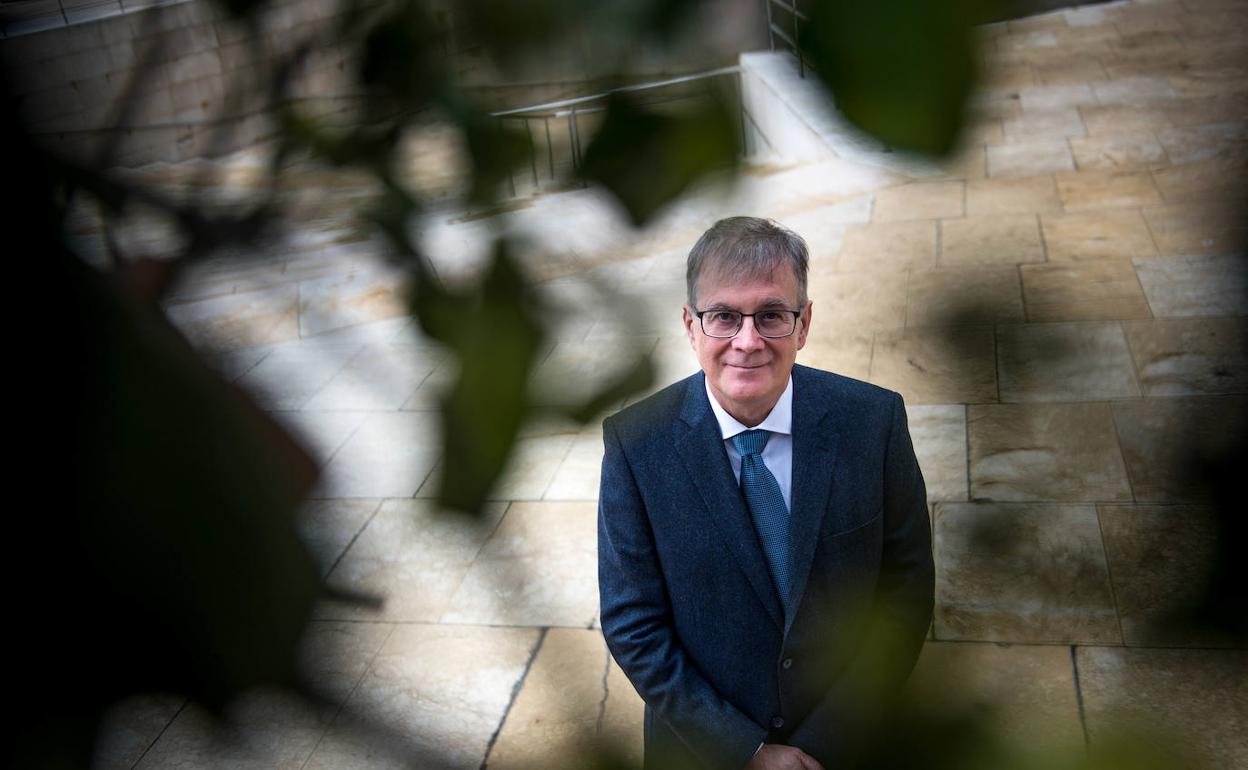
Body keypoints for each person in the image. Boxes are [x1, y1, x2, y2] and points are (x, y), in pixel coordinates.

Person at [597, 217, 934, 770]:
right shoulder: (636, 443)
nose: (747, 342)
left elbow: (904, 591)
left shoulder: (875, 421)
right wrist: (746, 752)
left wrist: (824, 743)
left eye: (772, 315)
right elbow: (633, 622)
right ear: (690, 325)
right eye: (724, 316)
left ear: (803, 324)